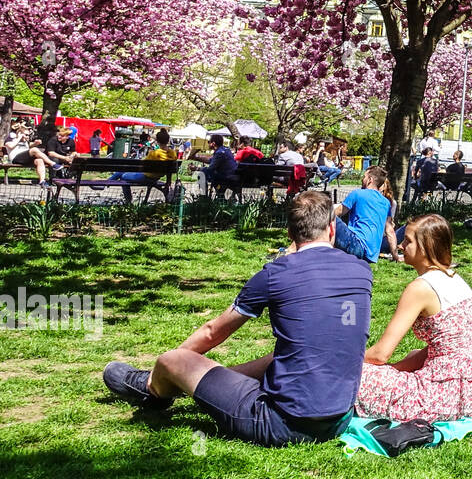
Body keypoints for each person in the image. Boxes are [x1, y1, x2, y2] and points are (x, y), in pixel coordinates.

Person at [101, 191, 373, 445]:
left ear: (290, 233)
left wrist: (174, 367)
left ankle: (153, 387)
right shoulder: (362, 272)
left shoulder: (275, 274)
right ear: (332, 229)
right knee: (292, 351)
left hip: (282, 423)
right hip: (339, 417)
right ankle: (197, 385)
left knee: (174, 360)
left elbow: (213, 333)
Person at [354, 213, 472, 424]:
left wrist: (348, 362)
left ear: (426, 246)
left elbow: (381, 354)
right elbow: (442, 349)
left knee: (354, 375)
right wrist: (393, 369)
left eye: (408, 241)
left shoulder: (421, 288)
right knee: (412, 356)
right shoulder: (456, 279)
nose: (401, 246)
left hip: (441, 396)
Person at [334, 166, 400, 263]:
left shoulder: (358, 194)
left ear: (370, 179)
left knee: (326, 216)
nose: (362, 179)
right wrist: (395, 256)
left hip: (356, 246)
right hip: (371, 255)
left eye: (364, 177)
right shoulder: (386, 202)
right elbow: (390, 231)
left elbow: (337, 212)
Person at [106, 127, 177, 203]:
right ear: (167, 141)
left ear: (157, 141)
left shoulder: (154, 153)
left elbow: (143, 165)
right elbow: (169, 170)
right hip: (156, 177)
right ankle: (106, 183)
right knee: (122, 172)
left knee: (123, 177)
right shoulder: (173, 153)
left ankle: (128, 201)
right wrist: (168, 182)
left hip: (146, 177)